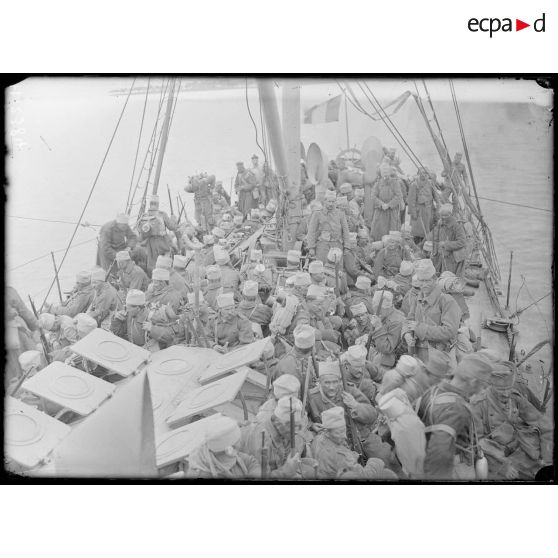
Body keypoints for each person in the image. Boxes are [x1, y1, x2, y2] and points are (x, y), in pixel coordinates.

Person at [416, 352, 494, 480]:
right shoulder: (456, 408)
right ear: (473, 382)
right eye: (483, 385)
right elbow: (440, 451)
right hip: (455, 467)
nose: (483, 391)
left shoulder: (434, 390)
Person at [472, 363, 553, 480]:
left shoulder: (515, 397)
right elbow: (477, 442)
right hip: (494, 453)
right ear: (491, 385)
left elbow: (541, 422)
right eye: (501, 390)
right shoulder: (479, 404)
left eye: (508, 388)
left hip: (518, 446)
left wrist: (546, 455)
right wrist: (503, 466)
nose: (506, 394)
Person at [307, 360, 395, 466]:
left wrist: (355, 406)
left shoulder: (349, 390)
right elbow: (302, 418)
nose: (332, 387)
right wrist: (311, 425)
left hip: (361, 436)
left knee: (386, 456)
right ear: (319, 382)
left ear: (340, 381)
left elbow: (372, 416)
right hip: (333, 442)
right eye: (327, 382)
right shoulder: (312, 397)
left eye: (335, 382)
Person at [240, 396, 316, 478]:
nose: (295, 431)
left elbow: (289, 457)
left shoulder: (289, 432)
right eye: (289, 425)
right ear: (276, 420)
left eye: (297, 425)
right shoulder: (261, 440)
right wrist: (286, 472)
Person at [311, 407, 397, 479]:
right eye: (339, 432)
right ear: (327, 432)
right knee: (388, 474)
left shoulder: (318, 439)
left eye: (343, 431)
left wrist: (353, 455)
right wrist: (375, 461)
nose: (344, 436)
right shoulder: (340, 457)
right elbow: (364, 476)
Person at [404, 259, 461, 365]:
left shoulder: (447, 300)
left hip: (440, 355)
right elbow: (409, 319)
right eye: (421, 281)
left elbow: (450, 331)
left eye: (427, 281)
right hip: (419, 352)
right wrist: (407, 334)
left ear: (435, 279)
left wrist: (420, 328)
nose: (424, 285)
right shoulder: (417, 298)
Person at [186, 416, 260, 478]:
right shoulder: (201, 474)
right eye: (238, 442)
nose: (241, 444)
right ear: (229, 448)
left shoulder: (227, 455)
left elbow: (252, 462)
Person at [379, 348, 452, 402]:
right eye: (439, 379)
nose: (440, 381)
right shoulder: (411, 389)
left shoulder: (420, 374)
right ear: (433, 376)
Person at [6, 286, 40, 387]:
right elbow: (23, 311)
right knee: (28, 363)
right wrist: (36, 326)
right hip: (16, 334)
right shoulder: (9, 290)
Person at [136, 195, 178, 276]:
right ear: (158, 204)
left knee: (151, 263)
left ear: (150, 203)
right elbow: (172, 227)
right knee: (165, 261)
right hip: (162, 242)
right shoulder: (162, 214)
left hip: (150, 243)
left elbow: (139, 231)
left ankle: (153, 279)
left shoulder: (144, 215)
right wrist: (173, 219)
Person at [306, 189, 350, 265]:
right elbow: (311, 231)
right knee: (322, 267)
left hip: (337, 244)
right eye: (329, 201)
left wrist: (346, 246)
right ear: (325, 201)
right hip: (322, 245)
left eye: (333, 201)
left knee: (337, 269)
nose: (331, 204)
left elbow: (346, 231)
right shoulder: (318, 214)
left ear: (335, 202)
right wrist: (311, 247)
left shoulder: (340, 214)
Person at [367, 290, 404, 371]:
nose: (375, 311)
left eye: (377, 308)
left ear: (386, 307)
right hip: (376, 350)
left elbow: (386, 349)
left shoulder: (396, 321)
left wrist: (378, 328)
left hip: (388, 359)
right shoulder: (384, 314)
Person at [428, 204, 467, 276]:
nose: (442, 218)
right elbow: (435, 238)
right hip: (440, 257)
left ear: (451, 215)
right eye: (441, 216)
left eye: (445, 216)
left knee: (449, 278)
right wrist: (433, 250)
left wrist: (446, 244)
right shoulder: (440, 223)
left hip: (452, 259)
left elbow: (462, 242)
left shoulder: (457, 226)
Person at [370, 163, 403, 241]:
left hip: (392, 211)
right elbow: (373, 196)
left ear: (390, 172)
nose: (385, 173)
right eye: (383, 171)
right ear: (381, 173)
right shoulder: (377, 184)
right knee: (378, 231)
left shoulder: (395, 183)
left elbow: (399, 196)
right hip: (380, 211)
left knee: (392, 231)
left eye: (387, 171)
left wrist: (389, 205)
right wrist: (381, 204)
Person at [408, 167, 439, 243]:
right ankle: (417, 242)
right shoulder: (414, 185)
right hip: (419, 211)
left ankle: (426, 243)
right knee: (418, 230)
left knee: (428, 227)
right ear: (418, 174)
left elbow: (435, 195)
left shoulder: (430, 183)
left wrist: (438, 204)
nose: (423, 175)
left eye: (425, 173)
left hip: (429, 209)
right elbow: (411, 201)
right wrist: (413, 213)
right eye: (421, 173)